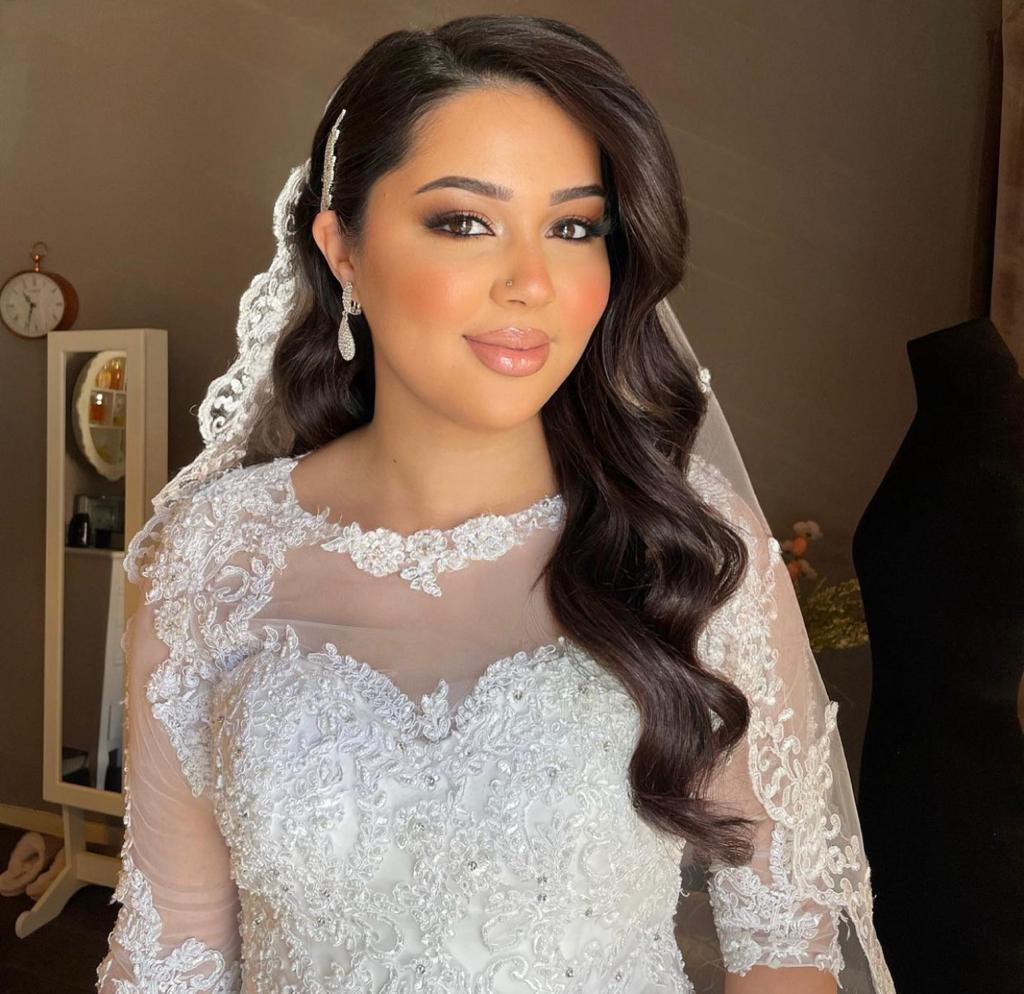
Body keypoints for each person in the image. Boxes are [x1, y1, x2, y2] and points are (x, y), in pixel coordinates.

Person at [95, 15, 895, 994]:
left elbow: (786, 950)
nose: (532, 283)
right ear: (342, 248)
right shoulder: (214, 552)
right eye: (464, 222)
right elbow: (171, 950)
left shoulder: (687, 547)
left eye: (574, 227)